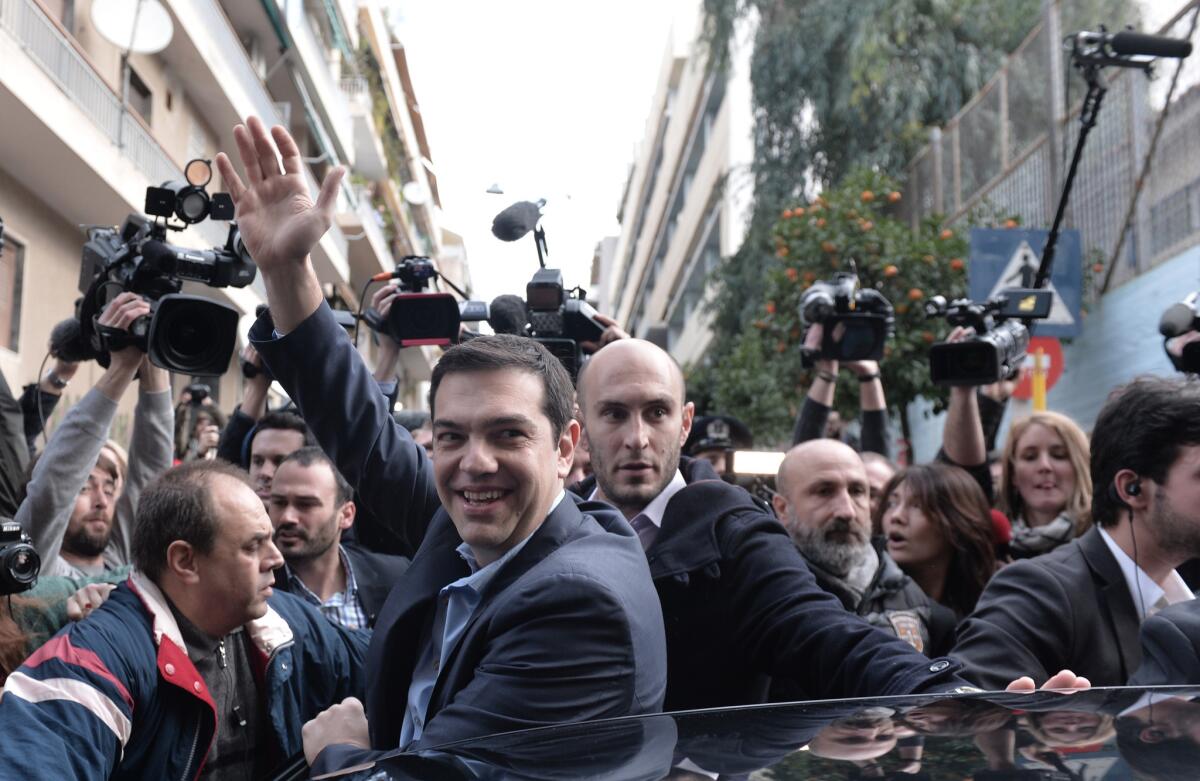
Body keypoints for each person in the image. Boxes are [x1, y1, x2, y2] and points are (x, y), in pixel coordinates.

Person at [214, 117, 666, 773]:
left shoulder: (578, 604)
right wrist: (286, 269)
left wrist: (339, 753)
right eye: (450, 436)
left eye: (508, 433)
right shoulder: (474, 525)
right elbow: (361, 429)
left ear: (566, 446)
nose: (473, 461)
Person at [574, 336, 979, 710]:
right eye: (614, 413)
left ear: (684, 424)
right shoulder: (549, 529)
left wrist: (940, 691)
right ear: (582, 432)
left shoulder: (736, 533)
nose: (637, 438)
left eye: (657, 412)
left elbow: (821, 630)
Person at [0, 460, 369, 779]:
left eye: (270, 541)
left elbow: (389, 660)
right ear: (184, 561)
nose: (276, 559)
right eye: (252, 546)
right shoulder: (94, 660)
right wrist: (334, 762)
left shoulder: (281, 625)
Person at [954, 375, 1200, 689]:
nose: (1045, 466)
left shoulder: (1187, 587)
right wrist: (1026, 726)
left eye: (1058, 455)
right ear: (1133, 489)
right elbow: (970, 713)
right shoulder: (1038, 592)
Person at [15, 293, 173, 578]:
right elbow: (53, 488)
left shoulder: (125, 562)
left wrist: (153, 355)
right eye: (84, 489)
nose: (101, 501)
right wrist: (121, 368)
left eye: (110, 489)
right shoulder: (35, 567)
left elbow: (151, 474)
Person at [772, 439, 956, 659]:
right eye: (824, 491)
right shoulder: (764, 603)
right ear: (782, 508)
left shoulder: (926, 612)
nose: (847, 511)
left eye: (857, 491)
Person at [269, 446, 409, 628]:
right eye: (279, 503)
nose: (287, 517)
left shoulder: (395, 578)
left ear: (346, 515)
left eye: (306, 505)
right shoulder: (254, 586)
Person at [875, 463, 998, 618]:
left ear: (956, 523)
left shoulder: (991, 610)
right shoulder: (864, 606)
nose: (896, 516)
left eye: (917, 505)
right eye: (892, 504)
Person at [995, 411, 1093, 557]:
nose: (1044, 466)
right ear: (1013, 474)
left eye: (1059, 455)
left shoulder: (1106, 536)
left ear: (1080, 467)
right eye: (1030, 457)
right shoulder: (994, 547)